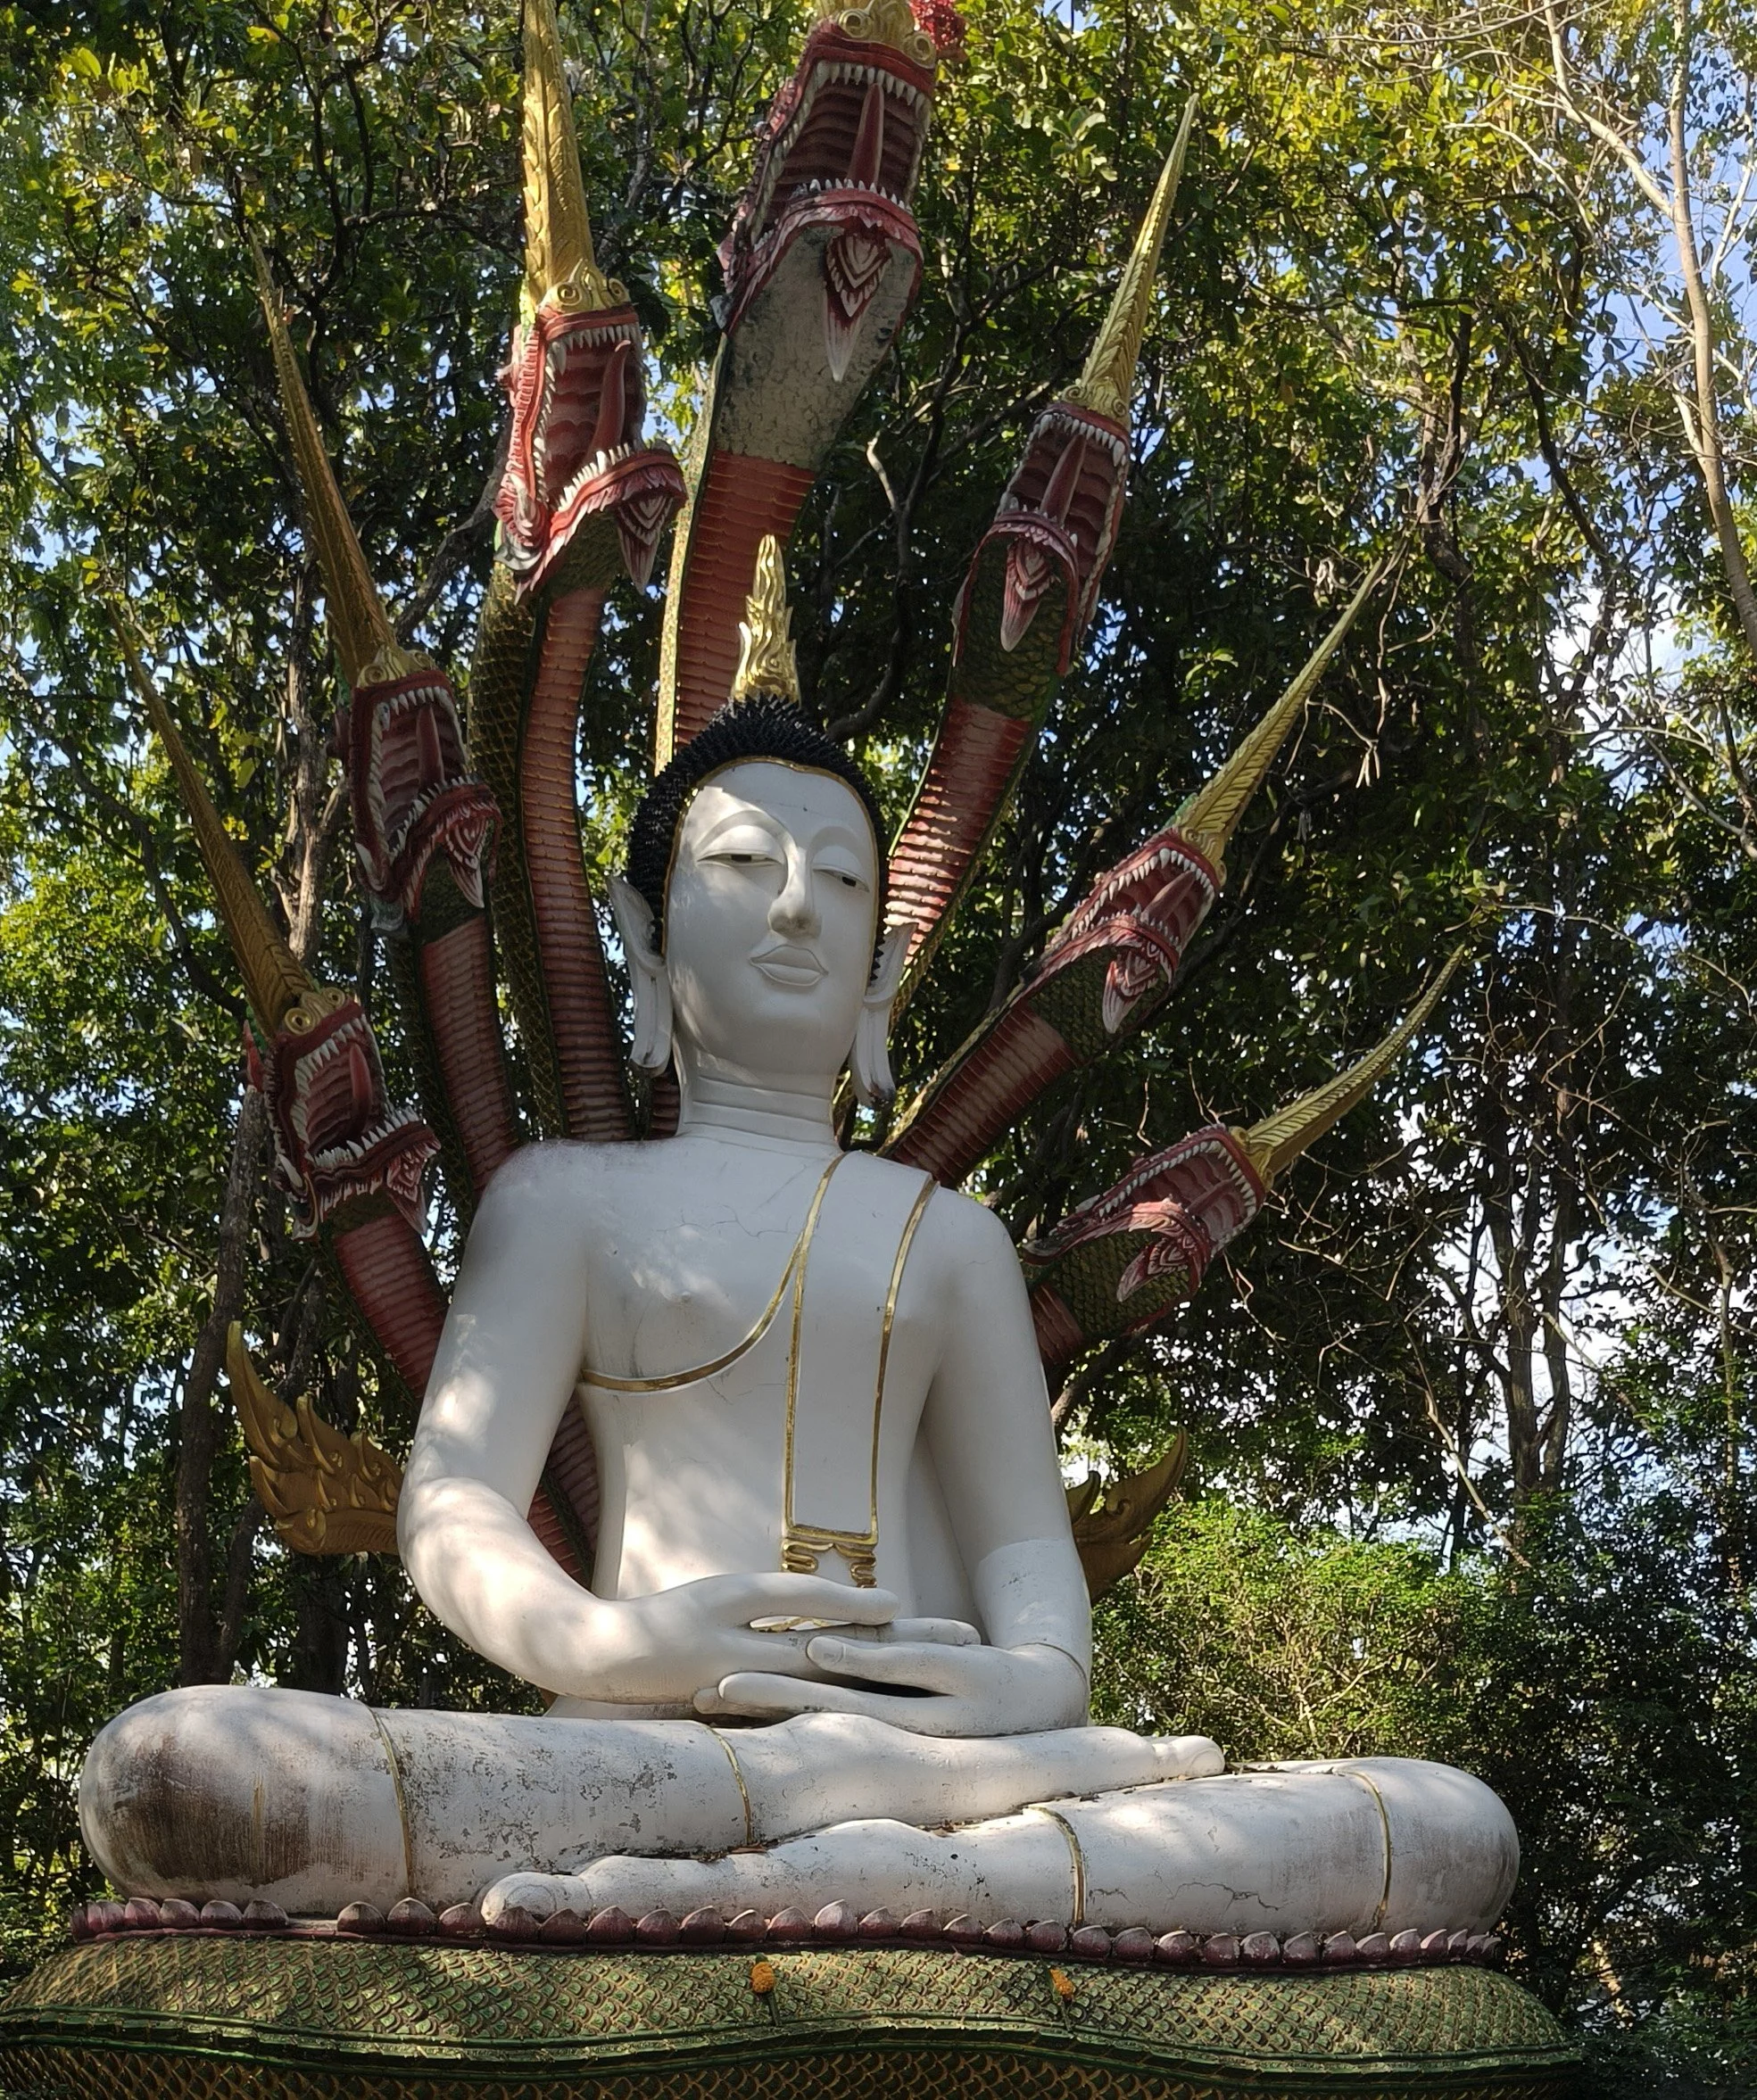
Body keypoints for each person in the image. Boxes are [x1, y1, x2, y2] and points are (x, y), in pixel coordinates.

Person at [79, 688, 1516, 1942]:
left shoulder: (952, 1242)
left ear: (880, 965)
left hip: (951, 1766)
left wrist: (1012, 1691)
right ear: (646, 934)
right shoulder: (561, 1202)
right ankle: (868, 1862)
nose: (793, 907)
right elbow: (453, 1507)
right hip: (638, 1753)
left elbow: (1030, 1572)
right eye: (743, 864)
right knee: (191, 1770)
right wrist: (616, 1646)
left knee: (1442, 1823)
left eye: (838, 879)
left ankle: (857, 1857)